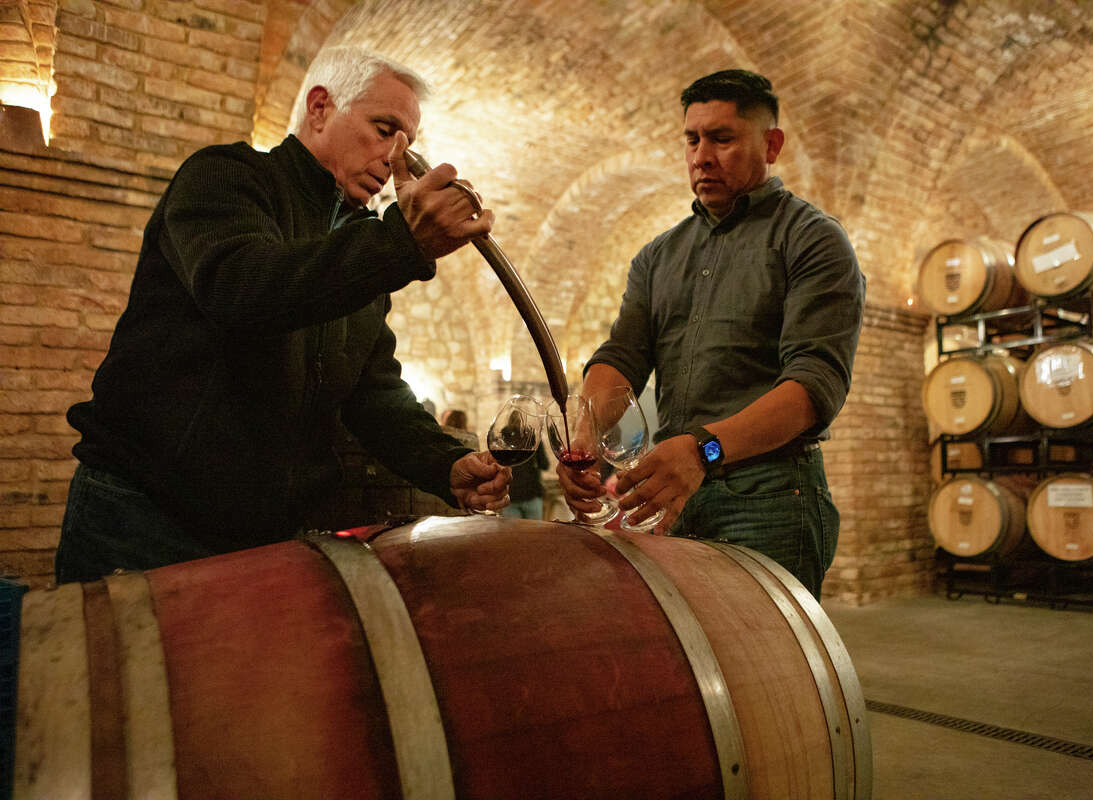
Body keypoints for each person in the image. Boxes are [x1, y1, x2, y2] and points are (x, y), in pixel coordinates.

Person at [56, 46, 512, 584]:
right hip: (145, 516)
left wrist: (445, 463)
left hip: (265, 536)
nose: (395, 160)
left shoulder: (358, 246)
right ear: (319, 108)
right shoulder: (226, 178)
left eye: (407, 144)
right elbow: (243, 288)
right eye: (384, 128)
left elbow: (375, 394)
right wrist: (396, 244)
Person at [557, 70, 865, 599]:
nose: (701, 156)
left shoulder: (812, 238)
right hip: (675, 492)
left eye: (722, 138)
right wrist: (584, 430)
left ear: (771, 145)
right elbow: (623, 356)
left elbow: (815, 388)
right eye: (692, 139)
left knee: (769, 670)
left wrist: (704, 452)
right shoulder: (658, 256)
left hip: (770, 497)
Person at [503, 439, 550, 520]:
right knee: (533, 532)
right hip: (531, 493)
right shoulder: (533, 438)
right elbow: (544, 464)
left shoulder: (504, 437)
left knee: (512, 532)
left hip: (511, 494)